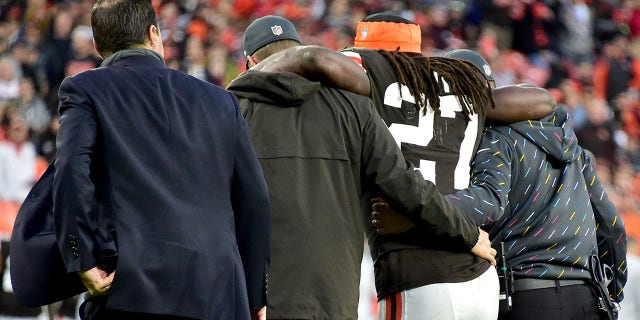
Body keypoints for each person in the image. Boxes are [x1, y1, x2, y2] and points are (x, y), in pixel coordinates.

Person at [252, 13, 555, 320]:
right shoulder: (452, 81)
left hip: (416, 270)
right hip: (478, 277)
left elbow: (314, 57)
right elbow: (542, 100)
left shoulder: (371, 76)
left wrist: (248, 79)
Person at [52, 1, 271, 319]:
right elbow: (255, 199)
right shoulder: (221, 101)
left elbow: (72, 170)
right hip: (219, 292)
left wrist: (83, 258)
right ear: (154, 34)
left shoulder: (85, 89)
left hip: (132, 290)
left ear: (99, 46)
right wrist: (253, 298)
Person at [373, 104, 628, 319]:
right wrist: (613, 294)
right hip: (587, 297)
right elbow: (610, 226)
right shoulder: (575, 151)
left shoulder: (497, 139)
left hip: (527, 296)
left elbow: (486, 203)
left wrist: (414, 211)